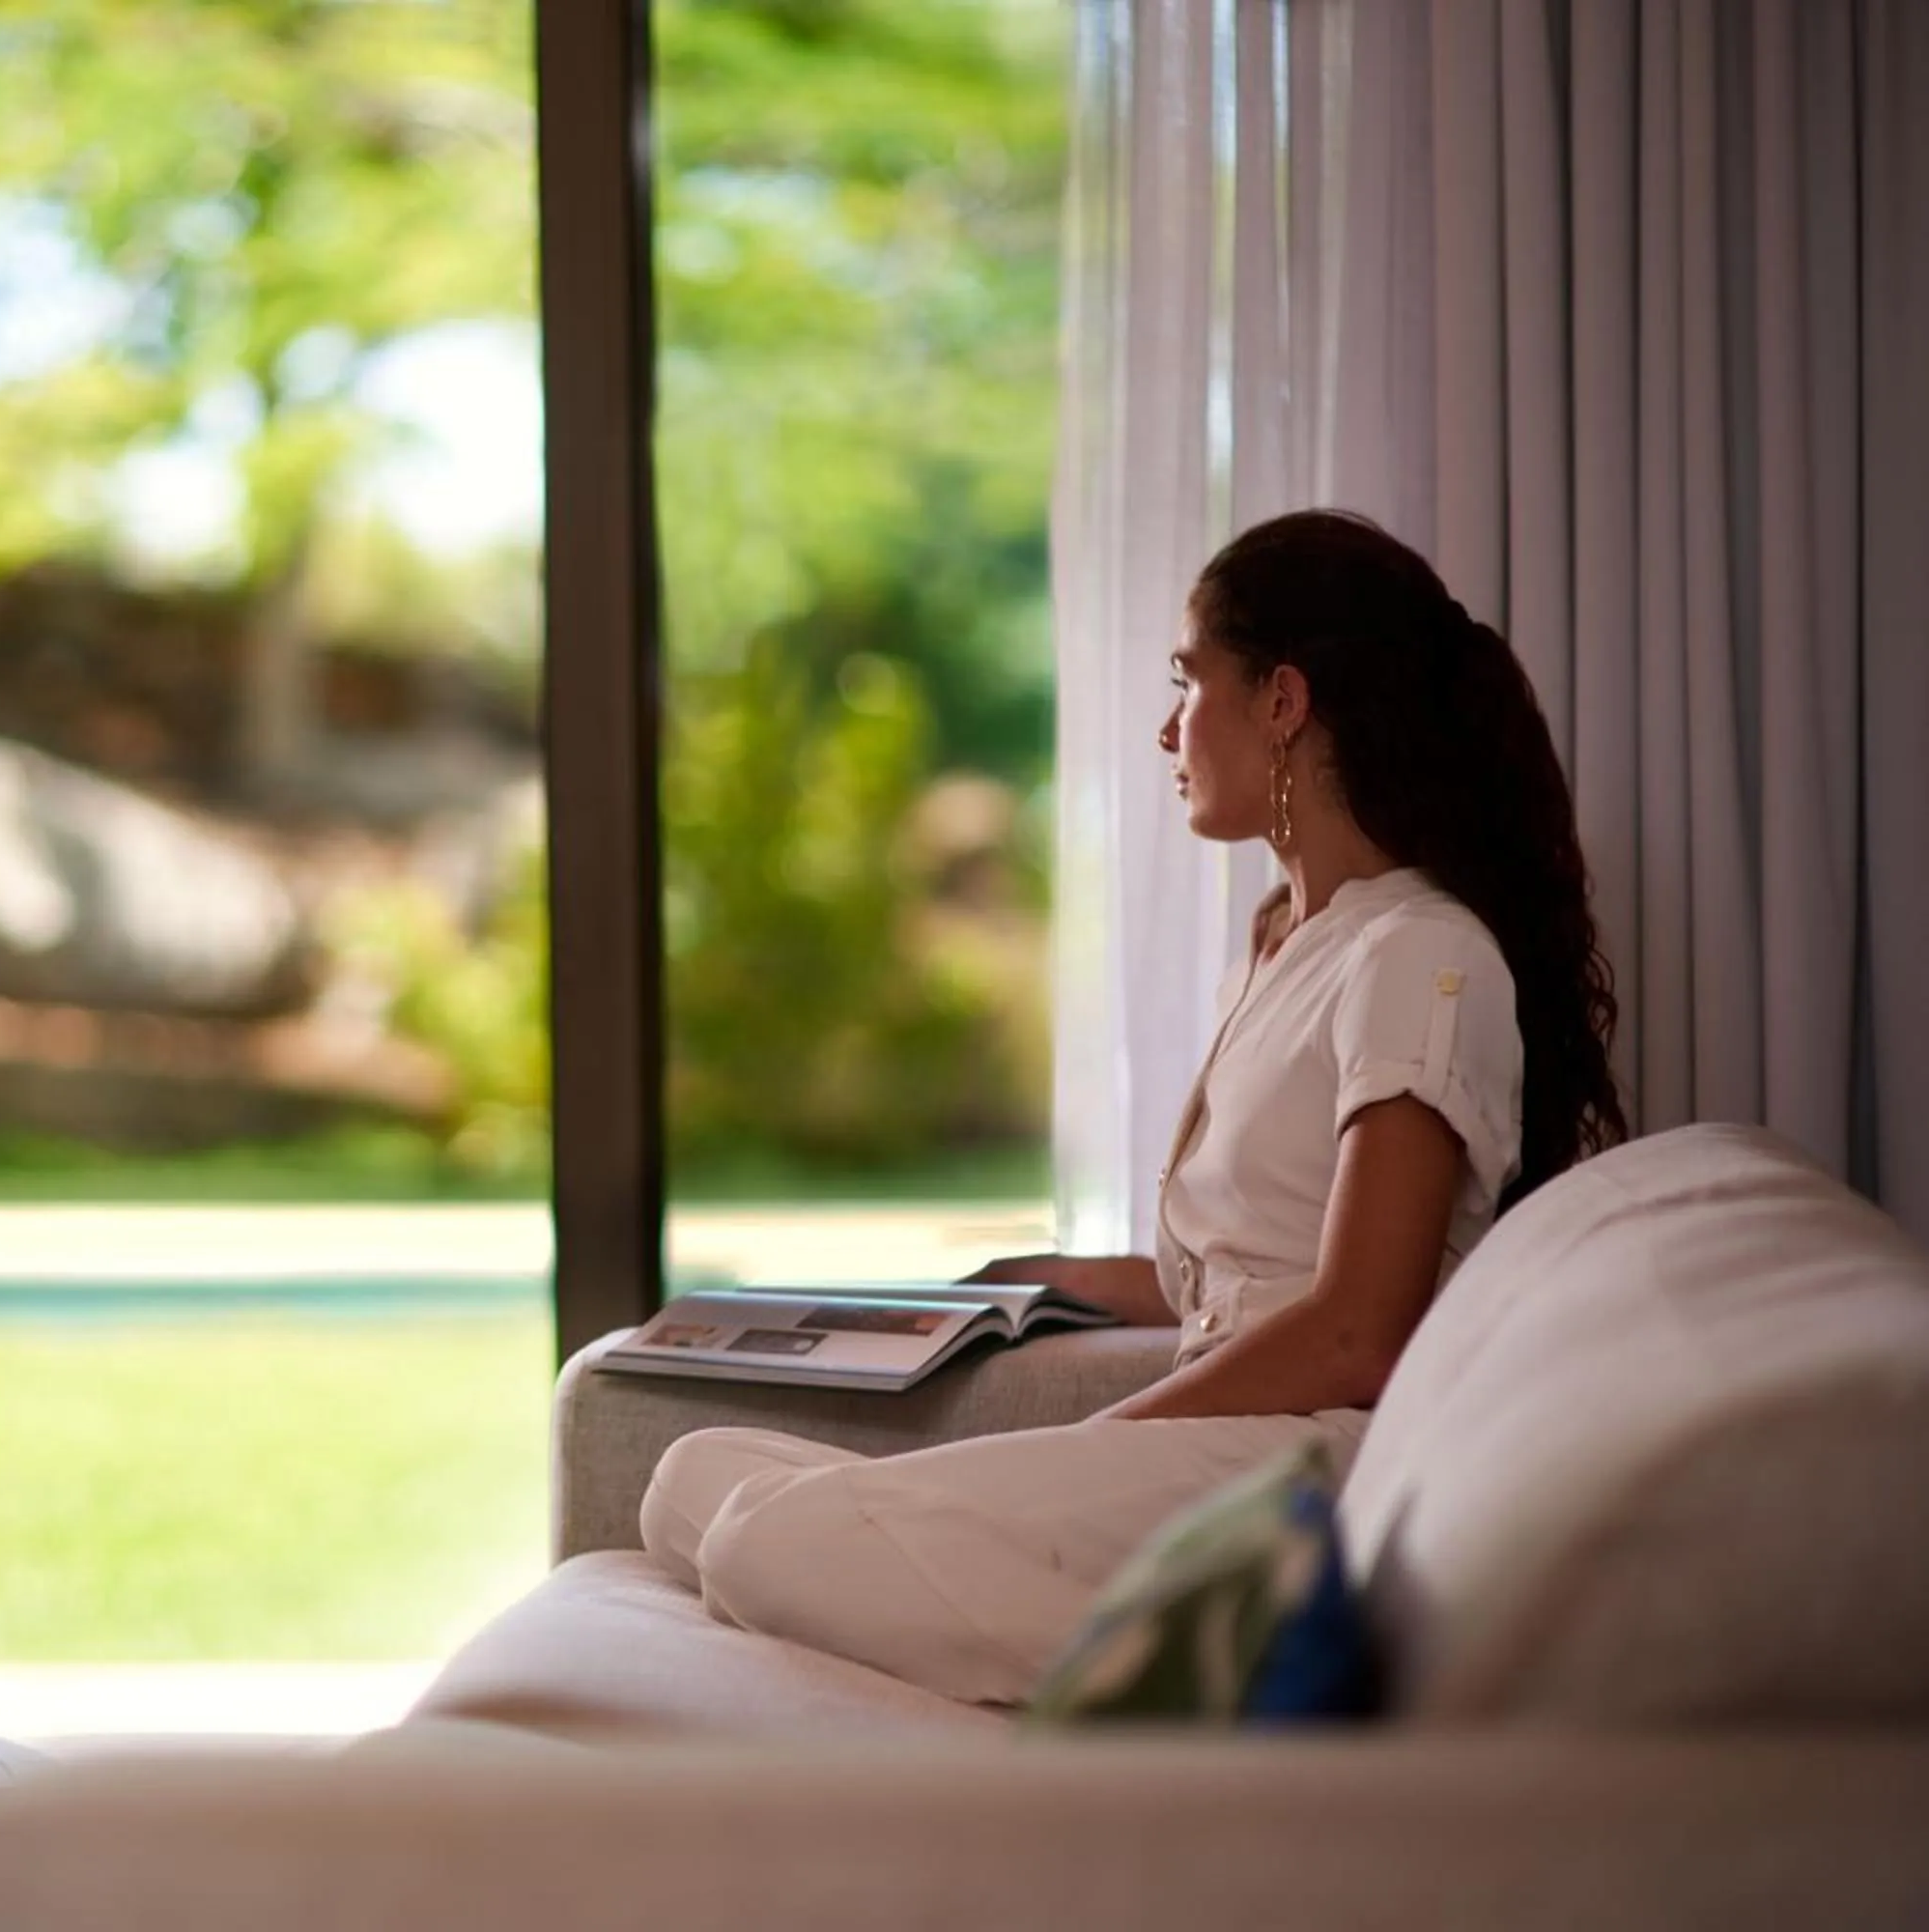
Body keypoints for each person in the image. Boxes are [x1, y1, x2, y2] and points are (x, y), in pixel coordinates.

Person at [638, 509, 1628, 1704]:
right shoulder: (1289, 942)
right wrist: (1042, 1279)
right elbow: (1250, 1264)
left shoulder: (1419, 951)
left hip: (1298, 1465)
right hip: (1214, 1440)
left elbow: (1359, 1327)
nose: (1169, 728)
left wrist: (1106, 1439)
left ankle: (1210, 1652)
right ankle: (1090, 1628)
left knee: (763, 1537)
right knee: (690, 1471)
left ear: (1282, 700)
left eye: (1188, 681)